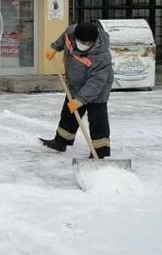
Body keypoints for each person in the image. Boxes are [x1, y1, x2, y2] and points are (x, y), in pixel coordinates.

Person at [40, 21, 115, 158]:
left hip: (98, 87)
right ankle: (60, 142)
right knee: (69, 113)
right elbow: (63, 38)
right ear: (75, 37)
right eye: (83, 42)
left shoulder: (101, 56)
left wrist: (81, 100)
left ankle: (100, 151)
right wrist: (55, 48)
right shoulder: (71, 32)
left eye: (89, 43)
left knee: (97, 118)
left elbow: (96, 82)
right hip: (75, 83)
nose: (85, 44)